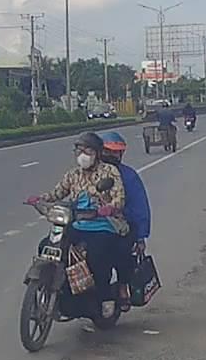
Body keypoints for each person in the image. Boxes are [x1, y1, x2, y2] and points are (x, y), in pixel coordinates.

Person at [32, 132, 129, 314]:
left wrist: (109, 208)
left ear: (97, 153)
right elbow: (57, 193)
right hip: (77, 224)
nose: (82, 155)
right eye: (79, 150)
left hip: (102, 224)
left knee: (96, 257)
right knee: (46, 246)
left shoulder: (109, 172)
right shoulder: (73, 174)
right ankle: (54, 289)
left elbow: (119, 198)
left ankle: (104, 297)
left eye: (87, 151)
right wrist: (39, 199)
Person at [98, 131, 151, 311]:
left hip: (120, 225)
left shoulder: (128, 176)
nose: (111, 156)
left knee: (121, 252)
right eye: (108, 151)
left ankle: (122, 286)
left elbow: (139, 207)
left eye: (116, 152)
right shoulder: (88, 173)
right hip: (89, 223)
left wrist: (141, 237)